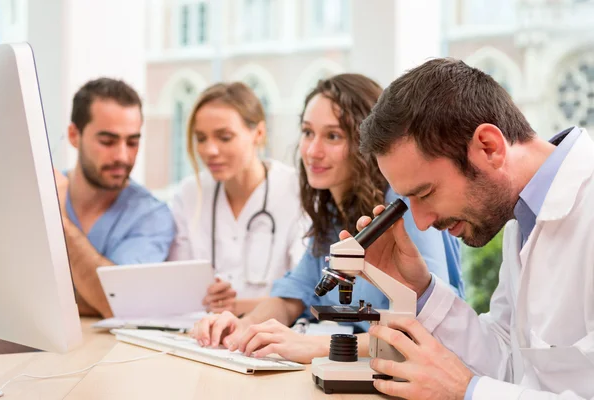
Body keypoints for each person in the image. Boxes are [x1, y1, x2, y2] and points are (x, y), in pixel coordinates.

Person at [353, 58, 594, 399]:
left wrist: (466, 392)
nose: (420, 222)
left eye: (425, 193)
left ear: (488, 147)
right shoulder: (522, 220)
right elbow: (511, 363)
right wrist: (418, 288)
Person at [190, 73, 464, 364]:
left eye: (333, 136)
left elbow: (430, 324)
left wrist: (316, 345)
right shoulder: (334, 212)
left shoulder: (404, 206)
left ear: (369, 143)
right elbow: (295, 294)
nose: (312, 151)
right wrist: (242, 326)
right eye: (308, 133)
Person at [168, 82, 307, 315]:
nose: (210, 150)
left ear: (259, 133)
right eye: (201, 138)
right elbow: (177, 288)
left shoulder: (297, 191)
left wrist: (232, 307)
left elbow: (305, 293)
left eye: (224, 137)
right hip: (201, 334)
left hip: (272, 335)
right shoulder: (189, 194)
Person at [54, 78, 175, 319]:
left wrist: (58, 222)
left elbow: (119, 303)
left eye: (132, 142)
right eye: (107, 141)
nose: (122, 156)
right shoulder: (40, 192)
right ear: (73, 135)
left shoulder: (151, 216)